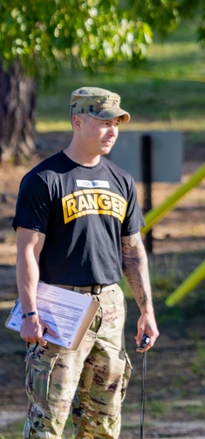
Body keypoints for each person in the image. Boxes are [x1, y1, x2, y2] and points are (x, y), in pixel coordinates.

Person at [14, 87, 159, 438]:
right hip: (60, 306)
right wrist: (31, 312)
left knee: (103, 422)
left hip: (109, 306)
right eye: (104, 122)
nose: (113, 130)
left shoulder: (121, 180)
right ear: (77, 122)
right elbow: (27, 252)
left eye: (117, 123)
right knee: (48, 418)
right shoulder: (44, 179)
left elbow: (133, 250)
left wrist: (147, 310)